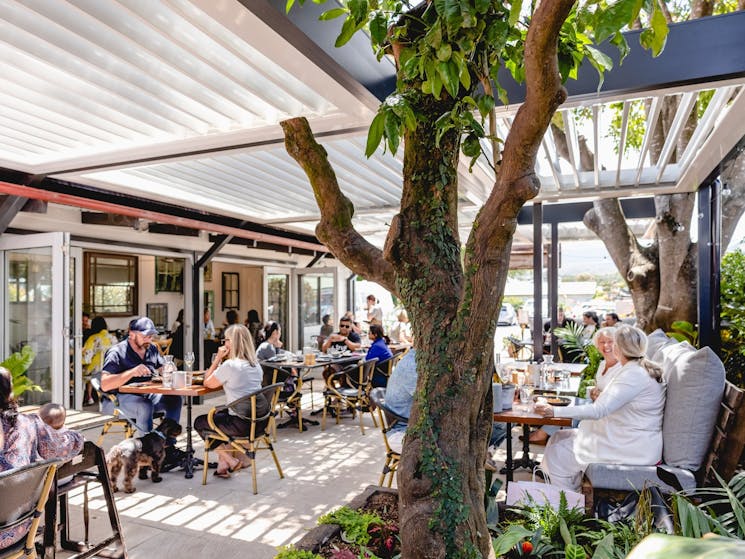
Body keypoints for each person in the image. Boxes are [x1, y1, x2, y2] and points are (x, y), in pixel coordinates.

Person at [536, 325, 666, 491]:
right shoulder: (635, 369)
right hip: (625, 438)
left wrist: (553, 411)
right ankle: (571, 493)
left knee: (558, 454)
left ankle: (567, 507)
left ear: (618, 348)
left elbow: (598, 410)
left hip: (632, 447)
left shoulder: (634, 374)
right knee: (559, 437)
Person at [1, 367, 84, 550]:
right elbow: (62, 448)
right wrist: (75, 435)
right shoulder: (29, 424)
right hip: (18, 529)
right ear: (10, 393)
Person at [100, 317, 184, 470]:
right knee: (144, 406)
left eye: (151, 335)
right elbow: (105, 384)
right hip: (116, 401)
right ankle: (147, 452)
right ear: (132, 334)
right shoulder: (117, 352)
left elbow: (160, 367)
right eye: (146, 335)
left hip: (146, 394)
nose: (150, 339)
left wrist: (166, 369)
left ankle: (168, 448)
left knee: (175, 399)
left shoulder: (151, 348)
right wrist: (131, 372)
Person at [526, 327, 624, 445]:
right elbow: (599, 388)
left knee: (571, 404)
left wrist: (600, 396)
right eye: (602, 342)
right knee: (568, 401)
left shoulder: (622, 368)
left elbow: (615, 397)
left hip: (607, 414)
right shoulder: (603, 364)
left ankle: (546, 434)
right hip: (595, 404)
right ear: (597, 345)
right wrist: (595, 391)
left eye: (610, 341)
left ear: (618, 344)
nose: (606, 346)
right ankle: (547, 433)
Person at [194, 324, 264, 478]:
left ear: (232, 342)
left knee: (200, 422)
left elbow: (207, 382)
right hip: (259, 422)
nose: (224, 344)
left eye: (226, 340)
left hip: (241, 424)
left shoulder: (231, 365)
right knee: (219, 417)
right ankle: (222, 466)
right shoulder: (256, 365)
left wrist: (218, 358)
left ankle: (229, 460)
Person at [81, 316, 117, 405]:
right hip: (111, 370)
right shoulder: (113, 338)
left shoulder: (94, 338)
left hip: (95, 370)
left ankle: (87, 397)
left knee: (80, 374)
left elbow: (86, 358)